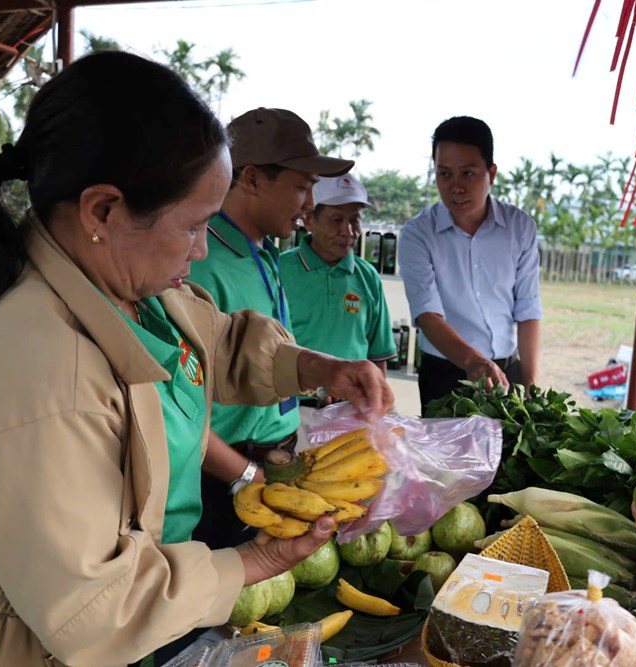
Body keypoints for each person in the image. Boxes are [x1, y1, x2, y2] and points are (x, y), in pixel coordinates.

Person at [0, 52, 393, 666]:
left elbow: (213, 340)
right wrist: (259, 559)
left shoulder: (133, 288)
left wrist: (317, 368)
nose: (202, 251)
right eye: (193, 227)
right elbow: (95, 609)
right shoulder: (39, 372)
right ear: (102, 211)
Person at [186, 107, 355, 553]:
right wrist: (245, 475)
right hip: (222, 476)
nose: (310, 204)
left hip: (273, 460)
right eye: (301, 187)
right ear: (253, 179)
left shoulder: (263, 253)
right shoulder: (198, 262)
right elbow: (177, 410)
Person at [398, 116, 542, 413]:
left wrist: (529, 385)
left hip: (509, 373)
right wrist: (473, 361)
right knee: (444, 445)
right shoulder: (417, 234)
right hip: (445, 376)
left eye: (468, 173)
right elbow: (427, 314)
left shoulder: (519, 228)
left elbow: (528, 309)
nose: (456, 187)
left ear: (492, 173)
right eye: (444, 174)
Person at [279, 173, 397, 421]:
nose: (348, 231)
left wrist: (376, 406)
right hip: (290, 408)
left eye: (355, 220)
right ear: (309, 220)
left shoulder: (367, 277)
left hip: (351, 410)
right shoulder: (279, 270)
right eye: (336, 220)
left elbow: (378, 356)